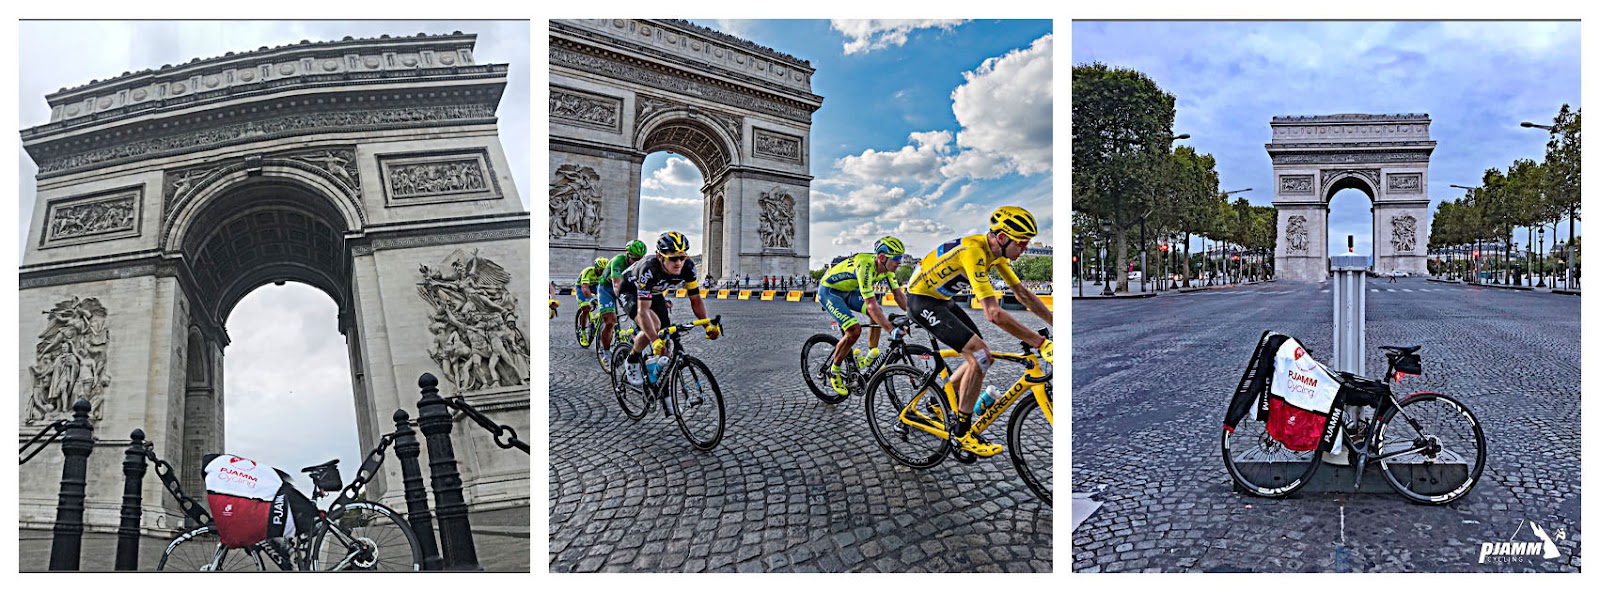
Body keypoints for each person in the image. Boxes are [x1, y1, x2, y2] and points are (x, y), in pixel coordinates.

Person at [905, 206, 1055, 457]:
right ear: (1003, 238)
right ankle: (962, 432)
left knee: (982, 354)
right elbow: (993, 313)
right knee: (981, 355)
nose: (1025, 248)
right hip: (921, 301)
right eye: (1022, 243)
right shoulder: (974, 251)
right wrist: (1039, 342)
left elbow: (1022, 293)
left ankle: (938, 401)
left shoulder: (996, 254)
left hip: (943, 299)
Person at [619, 232, 721, 386]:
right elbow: (643, 311)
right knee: (655, 327)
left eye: (682, 257)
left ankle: (659, 381)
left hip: (655, 292)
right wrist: (654, 340)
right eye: (673, 258)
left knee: (666, 335)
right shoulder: (648, 268)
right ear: (660, 256)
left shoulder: (688, 268)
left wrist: (707, 325)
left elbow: (696, 300)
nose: (678, 262)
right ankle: (632, 359)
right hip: (630, 291)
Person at [817, 237, 911, 396]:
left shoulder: (888, 270)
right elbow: (870, 304)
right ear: (882, 257)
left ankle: (871, 354)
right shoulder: (865, 266)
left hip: (849, 291)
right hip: (830, 292)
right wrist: (890, 329)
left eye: (901, 257)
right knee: (854, 330)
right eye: (896, 258)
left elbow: (899, 296)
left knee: (877, 314)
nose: (899, 262)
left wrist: (915, 314)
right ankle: (834, 371)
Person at [594, 240, 649, 355]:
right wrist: (624, 302)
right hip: (607, 289)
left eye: (639, 259)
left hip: (627, 287)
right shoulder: (618, 261)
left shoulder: (642, 263)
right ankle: (606, 353)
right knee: (610, 322)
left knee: (642, 313)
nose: (636, 262)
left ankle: (633, 340)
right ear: (627, 254)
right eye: (634, 259)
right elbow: (616, 285)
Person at [574, 258, 608, 346]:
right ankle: (583, 332)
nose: (602, 272)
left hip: (595, 286)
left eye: (604, 270)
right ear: (596, 268)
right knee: (586, 308)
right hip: (581, 287)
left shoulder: (606, 273)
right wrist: (591, 299)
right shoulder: (588, 271)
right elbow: (585, 288)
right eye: (601, 270)